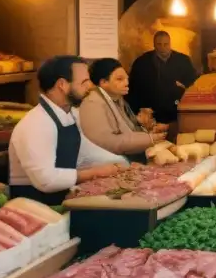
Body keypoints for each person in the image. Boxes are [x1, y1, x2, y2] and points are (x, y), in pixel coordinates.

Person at [9, 56, 128, 204]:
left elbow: (84, 151)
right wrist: (94, 173)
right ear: (62, 85)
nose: (90, 86)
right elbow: (46, 180)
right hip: (35, 208)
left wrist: (122, 164)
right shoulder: (36, 124)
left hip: (63, 200)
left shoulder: (70, 114)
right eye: (84, 82)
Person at [79, 58, 167, 157]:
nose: (126, 83)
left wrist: (150, 131)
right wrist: (150, 139)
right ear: (103, 82)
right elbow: (107, 143)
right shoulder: (93, 104)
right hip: (105, 164)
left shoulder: (118, 100)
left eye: (127, 79)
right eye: (120, 79)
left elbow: (132, 129)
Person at [127, 31, 197, 123]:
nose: (163, 48)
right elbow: (133, 88)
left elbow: (193, 84)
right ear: (154, 45)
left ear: (170, 43)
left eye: (166, 44)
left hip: (177, 112)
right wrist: (138, 110)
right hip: (151, 114)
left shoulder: (183, 61)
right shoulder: (142, 63)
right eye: (159, 44)